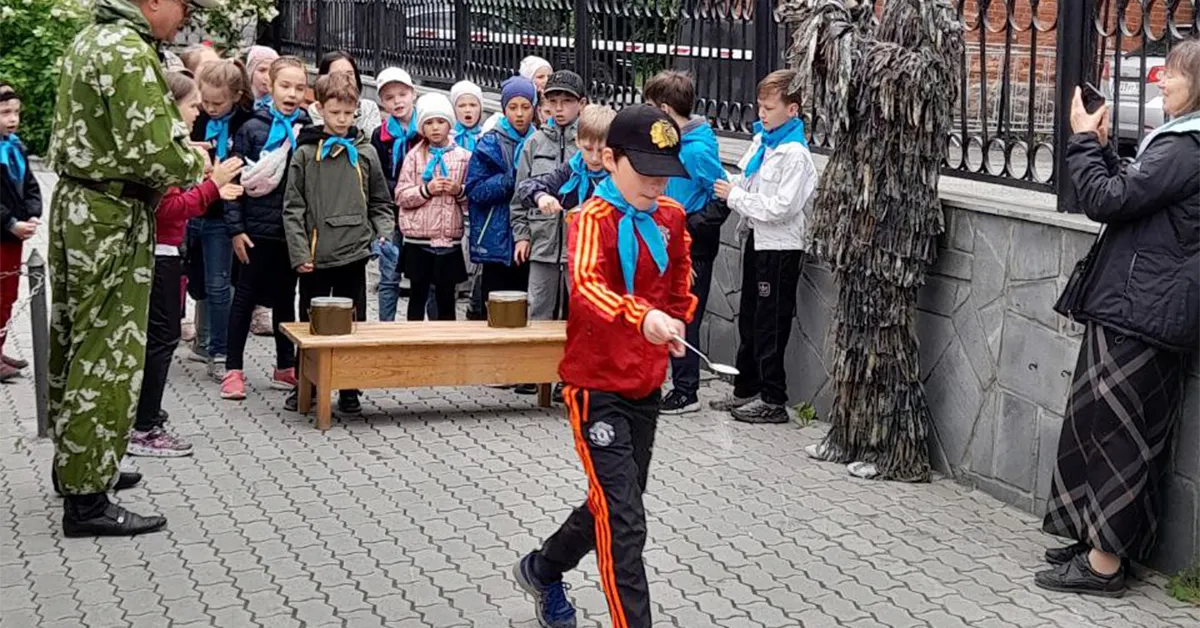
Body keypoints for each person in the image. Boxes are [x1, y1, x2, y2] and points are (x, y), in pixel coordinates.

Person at [513, 104, 695, 628]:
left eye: (665, 173)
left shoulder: (671, 216)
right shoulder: (591, 218)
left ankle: (543, 568)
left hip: (645, 383)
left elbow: (680, 279)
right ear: (611, 160)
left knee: (615, 502)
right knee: (625, 523)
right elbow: (588, 287)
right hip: (595, 387)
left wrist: (676, 319)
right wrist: (643, 316)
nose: (656, 184)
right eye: (645, 171)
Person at [1033, 40, 1200, 597]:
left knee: (1119, 435)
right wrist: (1102, 149)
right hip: (1135, 307)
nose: (1161, 82)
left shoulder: (1187, 148)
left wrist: (1083, 140)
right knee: (1098, 425)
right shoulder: (1179, 144)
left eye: (1171, 74)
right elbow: (1130, 195)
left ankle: (1104, 565)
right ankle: (1093, 541)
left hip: (1143, 312)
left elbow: (1106, 201)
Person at [46, 0, 209, 536]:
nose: (185, 18)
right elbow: (157, 153)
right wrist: (198, 162)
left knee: (76, 341)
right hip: (111, 214)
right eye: (183, 5)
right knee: (107, 352)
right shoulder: (127, 50)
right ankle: (87, 501)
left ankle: (80, 465)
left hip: (85, 204)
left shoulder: (92, 38)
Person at [131, 72, 244, 458]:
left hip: (167, 251)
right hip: (159, 252)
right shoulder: (160, 150)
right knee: (161, 339)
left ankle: (146, 413)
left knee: (160, 338)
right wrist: (213, 185)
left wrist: (206, 178)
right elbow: (170, 208)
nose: (199, 112)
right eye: (193, 105)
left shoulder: (171, 143)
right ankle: (143, 426)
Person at [283, 72, 395, 414]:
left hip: (354, 253)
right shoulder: (305, 153)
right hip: (316, 256)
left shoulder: (366, 152)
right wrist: (300, 252)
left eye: (349, 113)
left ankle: (348, 387)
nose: (343, 120)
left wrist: (382, 231)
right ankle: (308, 386)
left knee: (352, 321)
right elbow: (293, 208)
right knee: (312, 323)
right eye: (335, 113)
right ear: (319, 109)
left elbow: (380, 200)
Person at [711, 69, 816, 425]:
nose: (762, 114)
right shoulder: (764, 142)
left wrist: (736, 196)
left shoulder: (794, 155)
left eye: (769, 108)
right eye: (760, 107)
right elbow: (748, 182)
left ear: (792, 110)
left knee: (771, 321)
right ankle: (747, 387)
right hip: (757, 239)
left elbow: (781, 207)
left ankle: (773, 398)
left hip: (780, 248)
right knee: (751, 316)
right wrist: (726, 183)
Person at [221, 56, 313, 401]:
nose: (292, 94)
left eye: (299, 88)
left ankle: (285, 365)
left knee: (286, 300)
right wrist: (235, 229)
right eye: (285, 86)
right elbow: (233, 182)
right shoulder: (251, 128)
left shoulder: (309, 131)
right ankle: (233, 369)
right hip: (255, 232)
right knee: (244, 299)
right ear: (270, 86)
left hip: (290, 233)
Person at [643, 70, 729, 415]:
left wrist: (689, 227)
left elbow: (721, 196)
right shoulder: (672, 143)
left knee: (685, 314)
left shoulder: (696, 151)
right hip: (669, 240)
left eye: (651, 107)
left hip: (693, 245)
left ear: (665, 109)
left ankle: (686, 390)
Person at [185, 59, 255, 381]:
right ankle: (202, 339)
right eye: (206, 101)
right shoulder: (196, 118)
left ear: (236, 96)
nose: (211, 109)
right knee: (196, 282)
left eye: (218, 103)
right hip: (192, 208)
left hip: (221, 216)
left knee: (218, 284)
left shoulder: (245, 123)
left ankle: (220, 350)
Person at [511, 70, 586, 323]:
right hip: (542, 244)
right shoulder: (534, 143)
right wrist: (522, 235)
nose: (559, 108)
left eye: (567, 101)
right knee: (537, 312)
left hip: (579, 248)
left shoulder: (588, 144)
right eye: (553, 102)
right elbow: (519, 195)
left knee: (582, 312)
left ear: (582, 104)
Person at [395, 93, 471, 322]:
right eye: (429, 123)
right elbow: (401, 196)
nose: (435, 128)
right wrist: (426, 190)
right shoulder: (414, 157)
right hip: (419, 240)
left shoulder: (464, 158)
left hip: (449, 241)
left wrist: (458, 190)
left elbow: (472, 200)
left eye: (440, 121)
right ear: (422, 127)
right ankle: (414, 337)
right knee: (417, 297)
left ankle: (446, 338)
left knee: (446, 298)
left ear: (450, 123)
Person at [466, 77, 537, 317]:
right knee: (495, 305)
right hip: (495, 235)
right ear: (504, 109)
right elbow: (475, 189)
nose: (519, 114)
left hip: (531, 234)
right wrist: (510, 180)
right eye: (513, 107)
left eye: (525, 107)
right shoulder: (489, 143)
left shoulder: (539, 141)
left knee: (524, 305)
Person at [371, 66, 420, 322]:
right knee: (389, 273)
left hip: (422, 211)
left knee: (423, 276)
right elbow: (376, 176)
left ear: (413, 94)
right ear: (382, 102)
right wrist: (398, 191)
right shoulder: (380, 135)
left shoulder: (426, 127)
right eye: (389, 98)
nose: (397, 101)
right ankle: (385, 326)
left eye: (402, 94)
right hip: (391, 212)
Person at [0, 83, 41, 382]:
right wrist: (10, 222)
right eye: (5, 112)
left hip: (14, 236)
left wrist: (32, 213)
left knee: (8, 295)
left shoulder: (15, 146)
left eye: (16, 112)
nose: (13, 118)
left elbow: (30, 185)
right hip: (3, 233)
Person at [307, 50, 382, 136]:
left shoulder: (369, 107)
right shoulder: (315, 109)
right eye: (337, 74)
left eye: (350, 74)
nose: (344, 79)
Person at [452, 80, 484, 152]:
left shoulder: (487, 137)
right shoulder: (446, 138)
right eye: (462, 106)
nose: (467, 110)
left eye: (473, 105)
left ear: (480, 108)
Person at [245, 45, 279, 109]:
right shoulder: (240, 101)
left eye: (272, 71)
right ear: (251, 72)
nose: (267, 77)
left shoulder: (279, 106)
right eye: (262, 70)